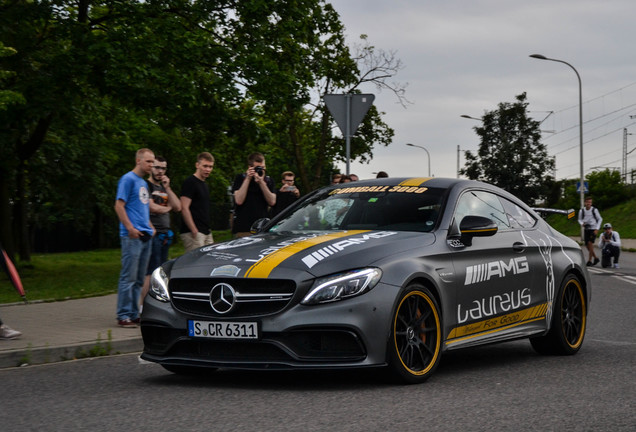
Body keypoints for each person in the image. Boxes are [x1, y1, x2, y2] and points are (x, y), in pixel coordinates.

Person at [115, 148, 155, 328]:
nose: (151, 165)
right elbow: (119, 205)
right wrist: (130, 228)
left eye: (153, 162)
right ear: (138, 160)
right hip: (132, 236)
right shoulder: (128, 179)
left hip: (145, 235)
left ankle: (133, 313)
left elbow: (142, 208)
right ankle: (123, 315)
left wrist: (150, 226)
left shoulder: (143, 183)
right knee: (128, 277)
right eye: (148, 162)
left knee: (139, 279)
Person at [140, 156, 181, 307]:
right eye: (157, 167)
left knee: (161, 273)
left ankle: (158, 304)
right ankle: (143, 307)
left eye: (163, 168)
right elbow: (152, 207)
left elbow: (178, 207)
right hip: (153, 234)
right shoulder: (146, 186)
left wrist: (168, 188)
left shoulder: (163, 187)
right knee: (150, 272)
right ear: (151, 168)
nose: (160, 171)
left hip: (165, 235)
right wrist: (167, 208)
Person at [232, 152, 276, 238]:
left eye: (263, 167)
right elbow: (239, 200)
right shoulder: (240, 178)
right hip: (244, 229)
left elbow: (272, 201)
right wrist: (248, 178)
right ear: (250, 167)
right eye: (258, 168)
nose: (261, 170)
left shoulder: (269, 181)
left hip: (263, 228)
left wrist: (261, 182)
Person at [180, 152, 215, 252]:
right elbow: (184, 207)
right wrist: (194, 230)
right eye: (205, 166)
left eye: (210, 167)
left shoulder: (204, 184)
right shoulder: (190, 182)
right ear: (197, 165)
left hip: (206, 231)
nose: (208, 169)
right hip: (194, 232)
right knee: (196, 264)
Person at [578, 196, 602, 266]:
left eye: (590, 202)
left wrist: (597, 229)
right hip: (586, 229)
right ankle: (596, 258)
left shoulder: (594, 210)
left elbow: (600, 219)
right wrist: (582, 223)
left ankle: (589, 260)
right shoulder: (582, 211)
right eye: (588, 202)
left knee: (590, 243)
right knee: (587, 245)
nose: (589, 204)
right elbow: (579, 219)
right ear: (585, 203)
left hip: (593, 229)